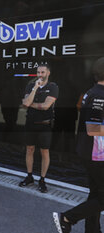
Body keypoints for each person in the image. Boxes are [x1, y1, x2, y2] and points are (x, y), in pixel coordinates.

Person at [53, 57, 104, 233]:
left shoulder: (92, 92)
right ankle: (67, 218)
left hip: (90, 151)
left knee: (97, 193)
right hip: (96, 153)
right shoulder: (99, 95)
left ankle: (93, 230)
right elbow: (93, 129)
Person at [19, 64, 58, 193]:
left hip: (45, 125)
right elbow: (25, 103)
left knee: (44, 152)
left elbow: (46, 106)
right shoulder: (31, 86)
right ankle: (29, 177)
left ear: (48, 73)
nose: (40, 75)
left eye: (42, 72)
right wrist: (35, 88)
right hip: (30, 123)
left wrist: (31, 104)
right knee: (29, 149)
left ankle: (42, 180)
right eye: (38, 72)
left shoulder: (53, 87)